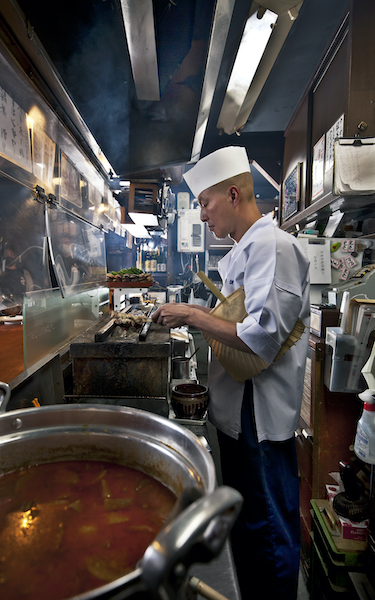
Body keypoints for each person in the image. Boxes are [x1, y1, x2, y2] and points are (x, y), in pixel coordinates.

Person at [152, 146, 310, 600]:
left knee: (268, 539)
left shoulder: (274, 247)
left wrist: (193, 315)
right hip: (238, 418)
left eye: (205, 203)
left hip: (259, 422)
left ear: (234, 194)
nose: (201, 215)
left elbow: (261, 336)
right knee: (248, 536)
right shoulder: (247, 249)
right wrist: (201, 312)